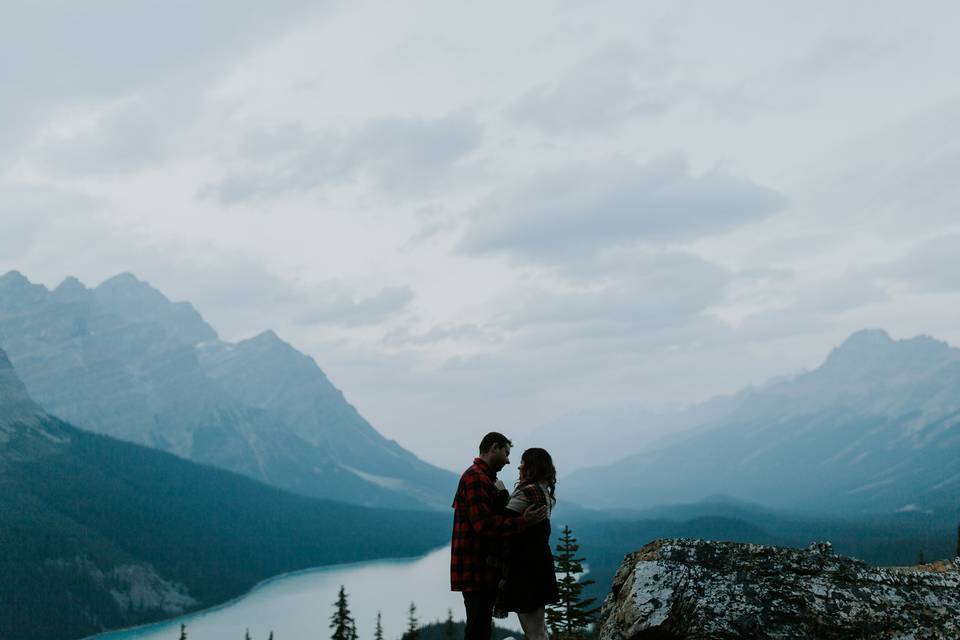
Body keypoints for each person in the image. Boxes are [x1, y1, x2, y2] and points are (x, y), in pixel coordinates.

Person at [451, 432, 548, 640]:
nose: (509, 460)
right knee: (478, 627)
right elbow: (484, 526)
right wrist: (524, 522)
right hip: (476, 568)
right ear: (493, 448)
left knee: (481, 626)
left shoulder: (484, 478)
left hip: (482, 568)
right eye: (506, 452)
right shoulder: (476, 478)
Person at [495, 448, 559, 640]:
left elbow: (503, 523)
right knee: (539, 630)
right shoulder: (542, 490)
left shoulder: (528, 491)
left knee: (533, 631)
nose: (519, 466)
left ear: (532, 467)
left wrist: (501, 494)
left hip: (525, 569)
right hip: (539, 565)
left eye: (523, 462)